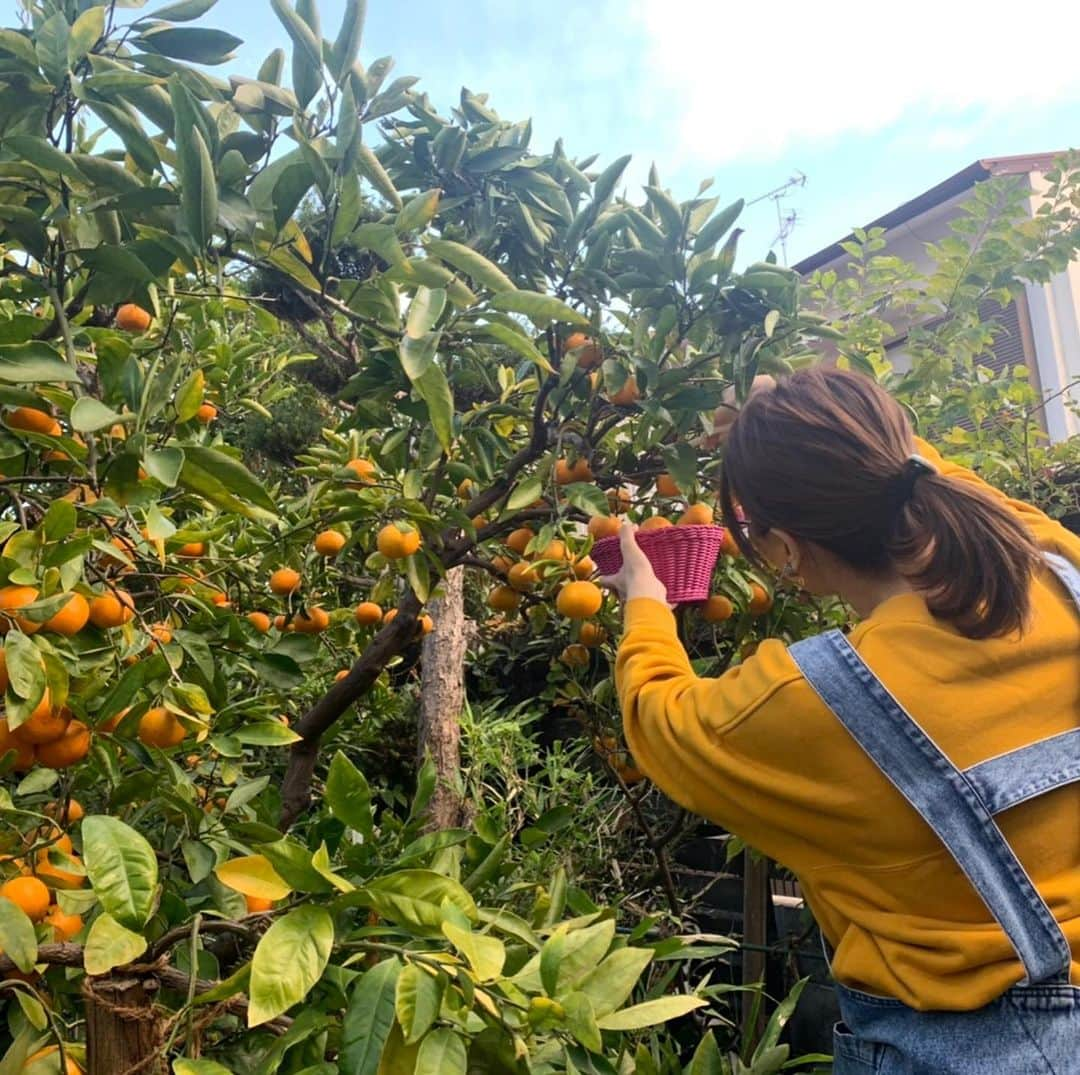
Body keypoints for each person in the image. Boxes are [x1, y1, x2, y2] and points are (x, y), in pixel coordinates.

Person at [600, 368, 1080, 1074]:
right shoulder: (1052, 565)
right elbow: (925, 475)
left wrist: (643, 601)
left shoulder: (816, 704)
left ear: (786, 549)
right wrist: (810, 430)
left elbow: (660, 720)